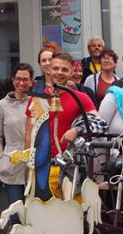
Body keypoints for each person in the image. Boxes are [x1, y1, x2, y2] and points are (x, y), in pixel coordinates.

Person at [32, 53, 103, 200]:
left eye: (64, 69)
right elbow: (29, 133)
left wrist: (77, 130)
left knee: (72, 215)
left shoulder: (81, 97)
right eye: (56, 68)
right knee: (44, 214)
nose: (59, 72)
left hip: (72, 168)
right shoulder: (37, 98)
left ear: (71, 72)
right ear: (49, 70)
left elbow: (100, 123)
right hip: (43, 167)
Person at [0, 63, 35, 234]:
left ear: (32, 81)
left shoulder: (36, 102)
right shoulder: (2, 105)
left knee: (30, 210)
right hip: (11, 163)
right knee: (16, 209)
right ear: (13, 80)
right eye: (18, 78)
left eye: (25, 79)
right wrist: (0, 158)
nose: (21, 83)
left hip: (32, 165)